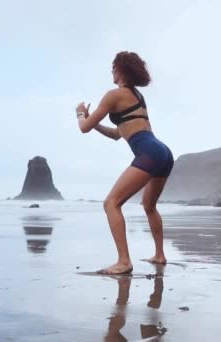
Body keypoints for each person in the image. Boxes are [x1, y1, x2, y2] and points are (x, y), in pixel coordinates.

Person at [75, 51, 174, 275]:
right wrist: (95, 122)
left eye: (113, 67)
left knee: (111, 203)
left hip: (148, 152)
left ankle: (124, 261)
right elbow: (117, 134)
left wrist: (81, 113)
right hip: (162, 152)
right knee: (149, 206)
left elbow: (83, 127)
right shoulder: (137, 96)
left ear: (120, 69)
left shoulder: (114, 95)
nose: (111, 71)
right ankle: (159, 255)